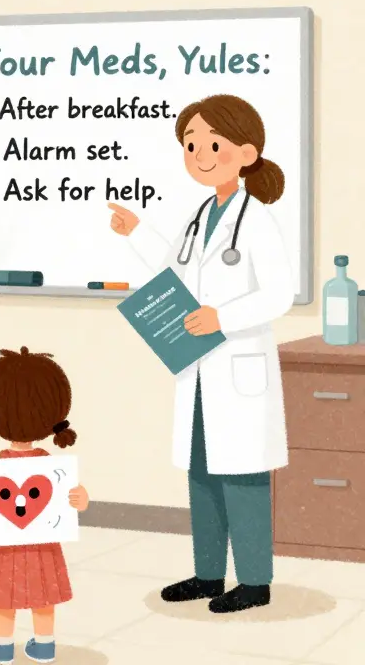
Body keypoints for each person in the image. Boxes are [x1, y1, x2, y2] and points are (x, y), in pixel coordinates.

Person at [107, 94, 293, 614]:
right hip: (197, 368)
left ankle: (254, 582)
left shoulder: (257, 219)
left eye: (212, 144)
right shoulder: (200, 214)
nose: (200, 155)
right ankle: (208, 574)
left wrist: (222, 317)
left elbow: (279, 293)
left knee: (242, 478)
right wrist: (136, 231)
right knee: (202, 473)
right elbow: (176, 270)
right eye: (191, 145)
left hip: (238, 367)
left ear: (247, 152)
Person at [0, 347, 89, 665]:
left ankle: (3, 646)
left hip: (6, 548)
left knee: (4, 596)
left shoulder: (6, 461)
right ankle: (44, 645)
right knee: (43, 594)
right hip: (41, 548)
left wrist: (79, 498)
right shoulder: (44, 462)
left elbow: (69, 496)